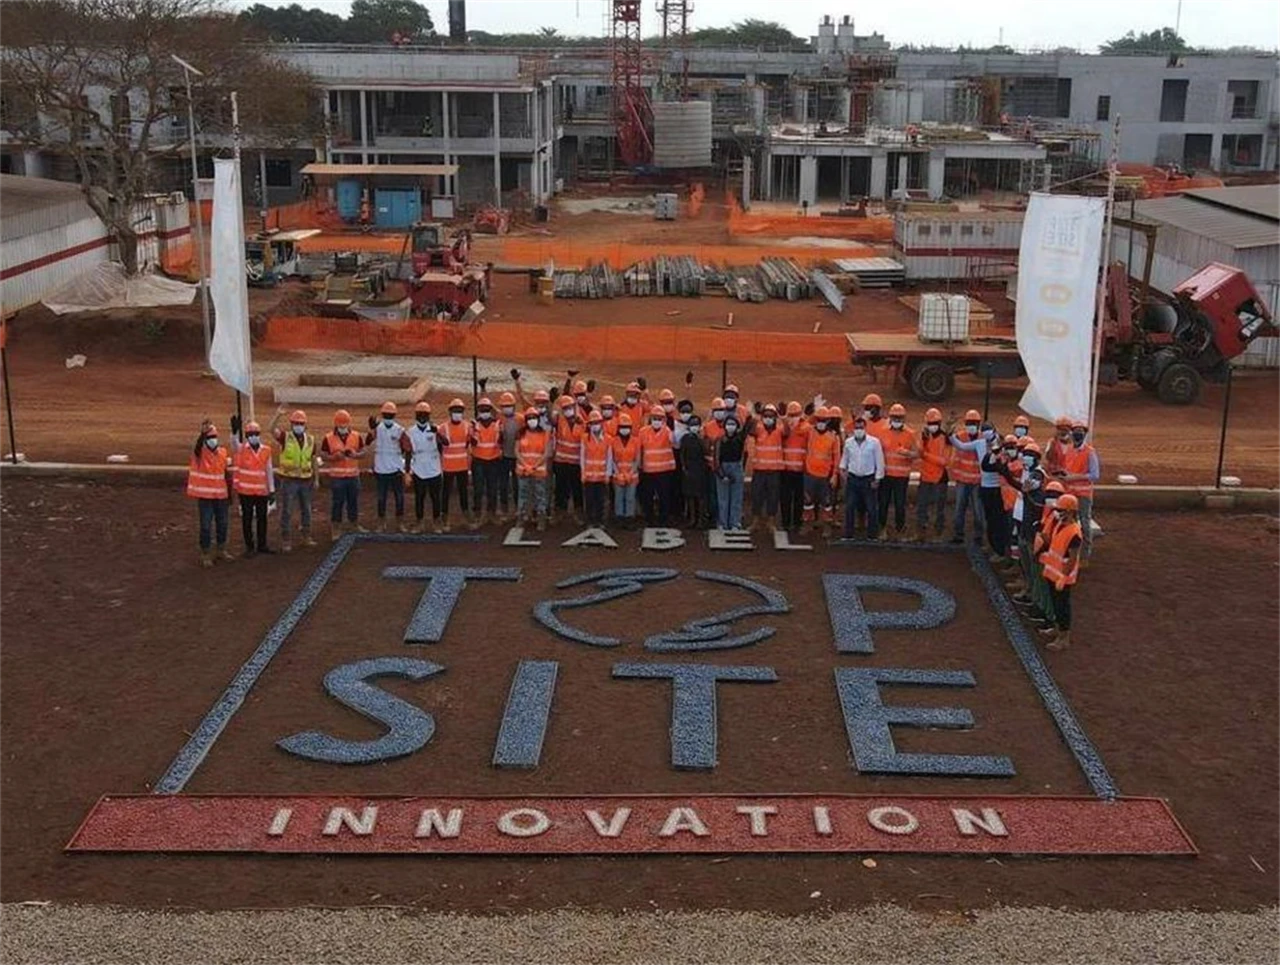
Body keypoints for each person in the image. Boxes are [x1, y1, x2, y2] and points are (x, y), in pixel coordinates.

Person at [1038, 493, 1083, 651]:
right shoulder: (1060, 524)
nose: (1058, 512)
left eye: (1061, 509)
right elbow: (1054, 544)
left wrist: (1064, 577)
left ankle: (1064, 637)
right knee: (1056, 603)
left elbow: (1072, 558)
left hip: (1062, 575)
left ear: (1071, 511)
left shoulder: (1074, 533)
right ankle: (1058, 629)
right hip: (1053, 572)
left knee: (1062, 605)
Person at [272, 408, 319, 553]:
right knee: (287, 510)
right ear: (291, 424)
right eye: (295, 423)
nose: (298, 425)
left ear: (305, 425)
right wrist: (278, 415)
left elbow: (313, 460)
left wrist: (316, 478)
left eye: (301, 423)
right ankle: (286, 540)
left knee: (307, 509)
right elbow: (271, 429)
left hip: (305, 480)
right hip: (289, 480)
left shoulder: (310, 440)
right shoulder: (285, 437)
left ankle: (306, 536)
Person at [188, 421, 234, 566]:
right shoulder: (200, 454)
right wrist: (202, 434)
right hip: (205, 498)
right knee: (206, 526)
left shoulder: (222, 453)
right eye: (210, 437)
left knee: (223, 524)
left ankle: (221, 549)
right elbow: (197, 447)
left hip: (221, 496)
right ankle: (206, 553)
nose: (213, 440)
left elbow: (226, 475)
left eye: (214, 437)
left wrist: (229, 495)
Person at [1057, 417, 1100, 559]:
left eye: (1081, 431)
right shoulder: (1069, 450)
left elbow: (1094, 475)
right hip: (1069, 493)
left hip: (1083, 494)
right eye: (1076, 431)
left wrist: (1073, 477)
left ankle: (1084, 556)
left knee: (1085, 523)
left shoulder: (1090, 452)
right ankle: (1070, 552)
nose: (1078, 433)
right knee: (1069, 523)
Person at [366, 401, 412, 533]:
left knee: (399, 497)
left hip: (396, 470)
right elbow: (367, 442)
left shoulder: (399, 430)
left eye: (390, 415)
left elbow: (408, 450)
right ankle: (381, 523)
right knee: (381, 498)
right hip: (381, 469)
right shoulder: (378, 429)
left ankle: (400, 523)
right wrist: (371, 429)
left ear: (394, 416)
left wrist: (406, 471)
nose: (388, 418)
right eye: (386, 415)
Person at [231, 418, 275, 556]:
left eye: (255, 433)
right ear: (246, 436)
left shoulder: (266, 450)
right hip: (245, 492)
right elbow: (233, 443)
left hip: (261, 491)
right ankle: (249, 546)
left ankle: (262, 545)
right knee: (247, 519)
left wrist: (271, 490)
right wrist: (234, 431)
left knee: (262, 519)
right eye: (250, 434)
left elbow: (269, 470)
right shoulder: (242, 449)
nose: (253, 436)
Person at [321, 409, 364, 539]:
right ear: (336, 424)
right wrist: (334, 457)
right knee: (337, 503)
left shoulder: (356, 436)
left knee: (353, 502)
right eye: (341, 425)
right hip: (337, 478)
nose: (343, 427)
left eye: (345, 424)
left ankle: (354, 525)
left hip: (353, 476)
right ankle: (336, 528)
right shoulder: (328, 438)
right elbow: (323, 455)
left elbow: (363, 452)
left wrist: (355, 455)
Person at [840, 415, 884, 540]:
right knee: (849, 507)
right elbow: (845, 459)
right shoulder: (849, 443)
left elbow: (879, 461)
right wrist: (843, 472)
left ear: (865, 428)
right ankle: (848, 534)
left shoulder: (874, 442)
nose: (859, 429)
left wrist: (877, 478)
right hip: (853, 479)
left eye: (861, 427)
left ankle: (872, 535)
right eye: (857, 427)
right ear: (854, 428)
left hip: (868, 479)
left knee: (871, 508)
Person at [878, 402, 917, 540]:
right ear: (890, 418)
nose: (897, 421)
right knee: (883, 503)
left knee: (900, 504)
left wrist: (908, 453)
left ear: (904, 419)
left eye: (899, 418)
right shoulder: (883, 432)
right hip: (886, 475)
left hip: (902, 476)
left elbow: (917, 453)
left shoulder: (910, 434)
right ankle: (882, 528)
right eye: (894, 418)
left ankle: (900, 528)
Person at [948, 409, 986, 545]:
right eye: (969, 423)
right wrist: (949, 428)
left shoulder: (983, 439)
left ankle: (979, 535)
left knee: (978, 510)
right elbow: (951, 441)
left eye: (974, 423)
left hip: (977, 481)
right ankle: (958, 534)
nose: (971, 426)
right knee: (959, 508)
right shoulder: (961, 436)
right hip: (963, 480)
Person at [803, 406, 841, 537]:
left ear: (828, 421)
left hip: (825, 475)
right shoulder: (810, 431)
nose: (820, 422)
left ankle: (827, 526)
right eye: (818, 419)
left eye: (823, 420)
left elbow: (837, 457)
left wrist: (835, 474)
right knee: (808, 502)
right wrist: (812, 413)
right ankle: (808, 525)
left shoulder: (833, 437)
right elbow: (802, 425)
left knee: (827, 503)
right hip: (810, 473)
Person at [407, 401, 445, 533]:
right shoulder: (411, 431)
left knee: (436, 497)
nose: (422, 417)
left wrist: (438, 434)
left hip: (434, 468)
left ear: (429, 416)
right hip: (419, 468)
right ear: (416, 415)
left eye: (425, 414)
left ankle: (437, 522)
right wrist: (407, 471)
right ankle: (419, 522)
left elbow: (445, 443)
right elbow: (408, 451)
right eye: (420, 414)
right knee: (419, 497)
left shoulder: (436, 429)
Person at [637, 404, 677, 526]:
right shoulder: (643, 432)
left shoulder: (668, 432)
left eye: (659, 419)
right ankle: (649, 519)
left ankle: (663, 519)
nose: (657, 421)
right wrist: (639, 466)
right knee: (647, 497)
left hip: (665, 470)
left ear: (664, 420)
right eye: (655, 418)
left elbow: (674, 443)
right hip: (648, 471)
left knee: (664, 497)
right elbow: (640, 450)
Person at [915, 407, 950, 542]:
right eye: (929, 424)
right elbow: (920, 452)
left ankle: (938, 534)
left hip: (939, 478)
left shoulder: (945, 439)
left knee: (939, 509)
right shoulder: (924, 436)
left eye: (934, 423)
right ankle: (921, 533)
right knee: (921, 507)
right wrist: (924, 443)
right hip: (925, 477)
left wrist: (926, 455)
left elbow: (944, 461)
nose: (932, 426)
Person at [750, 403, 786, 532]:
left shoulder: (779, 429)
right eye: (765, 416)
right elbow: (751, 430)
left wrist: (782, 416)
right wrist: (756, 415)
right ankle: (756, 521)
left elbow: (787, 431)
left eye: (771, 416)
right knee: (756, 496)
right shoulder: (759, 428)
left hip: (774, 471)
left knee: (773, 497)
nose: (768, 418)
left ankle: (771, 522)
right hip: (759, 470)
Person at [977, 425, 1010, 563]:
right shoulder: (992, 456)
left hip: (999, 493)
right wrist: (993, 455)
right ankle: (994, 546)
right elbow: (985, 465)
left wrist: (996, 457)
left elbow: (994, 468)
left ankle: (1000, 550)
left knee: (998, 522)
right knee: (990, 519)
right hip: (989, 490)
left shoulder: (1006, 459)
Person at [439, 398, 473, 531]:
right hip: (448, 466)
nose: (457, 413)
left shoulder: (467, 426)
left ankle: (466, 514)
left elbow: (470, 443)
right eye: (455, 411)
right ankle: (444, 516)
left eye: (459, 411)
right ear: (450, 412)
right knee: (446, 492)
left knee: (463, 492)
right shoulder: (443, 428)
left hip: (462, 466)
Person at [515, 406, 551, 531]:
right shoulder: (521, 433)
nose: (532, 420)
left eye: (534, 418)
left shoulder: (544, 434)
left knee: (540, 495)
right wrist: (525, 465)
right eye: (529, 418)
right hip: (523, 470)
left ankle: (541, 518)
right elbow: (517, 451)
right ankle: (521, 517)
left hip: (538, 470)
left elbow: (546, 453)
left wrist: (534, 466)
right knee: (523, 495)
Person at [552, 394, 585, 524]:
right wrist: (552, 401)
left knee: (577, 489)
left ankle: (579, 513)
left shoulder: (581, 422)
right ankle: (560, 512)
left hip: (576, 463)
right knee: (560, 488)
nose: (568, 410)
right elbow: (550, 417)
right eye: (565, 408)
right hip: (561, 461)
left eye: (570, 407)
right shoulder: (559, 420)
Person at [471, 397, 503, 527]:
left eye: (487, 409)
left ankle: (492, 514)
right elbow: (473, 441)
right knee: (478, 489)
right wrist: (473, 430)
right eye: (482, 409)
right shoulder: (474, 425)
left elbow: (501, 440)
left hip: (493, 461)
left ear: (491, 410)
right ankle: (478, 515)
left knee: (493, 489)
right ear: (478, 411)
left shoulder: (497, 424)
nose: (484, 412)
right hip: (478, 461)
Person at [780, 401, 809, 534]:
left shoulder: (805, 428)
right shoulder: (784, 428)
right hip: (785, 470)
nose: (793, 418)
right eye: (791, 415)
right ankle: (785, 523)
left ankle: (797, 523)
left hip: (800, 470)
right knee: (785, 498)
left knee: (799, 499)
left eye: (795, 415)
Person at [714, 413, 747, 530]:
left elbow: (747, 428)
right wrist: (721, 474)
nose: (730, 426)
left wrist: (749, 414)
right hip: (723, 467)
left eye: (733, 424)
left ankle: (735, 523)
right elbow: (716, 458)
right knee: (723, 498)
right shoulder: (719, 440)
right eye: (728, 424)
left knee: (736, 497)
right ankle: (722, 523)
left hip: (737, 467)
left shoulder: (740, 439)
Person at [580, 410, 613, 526]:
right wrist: (583, 473)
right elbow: (582, 456)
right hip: (589, 476)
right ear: (589, 425)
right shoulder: (585, 438)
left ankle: (600, 520)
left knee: (600, 500)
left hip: (601, 476)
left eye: (597, 423)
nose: (595, 426)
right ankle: (589, 519)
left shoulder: (608, 439)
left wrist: (608, 474)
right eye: (593, 423)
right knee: (589, 500)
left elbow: (609, 457)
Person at [679, 414, 710, 528]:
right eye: (692, 424)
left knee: (700, 496)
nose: (694, 427)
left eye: (696, 424)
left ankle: (701, 520)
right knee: (690, 496)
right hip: (689, 469)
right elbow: (682, 454)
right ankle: (692, 519)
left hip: (700, 469)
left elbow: (706, 452)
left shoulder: (702, 439)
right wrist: (684, 468)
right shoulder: (685, 439)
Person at [611, 413, 641, 526]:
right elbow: (612, 458)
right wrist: (617, 473)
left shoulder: (636, 441)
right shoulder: (614, 441)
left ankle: (629, 518)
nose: (625, 429)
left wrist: (631, 472)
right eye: (623, 427)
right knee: (618, 498)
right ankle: (619, 518)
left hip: (632, 476)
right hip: (618, 475)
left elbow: (637, 458)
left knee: (630, 498)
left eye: (627, 427)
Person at [496, 391, 521, 522]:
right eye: (504, 406)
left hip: (517, 457)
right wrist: (482, 390)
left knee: (517, 485)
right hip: (504, 457)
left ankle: (518, 509)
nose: (507, 408)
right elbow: (488, 408)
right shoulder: (500, 418)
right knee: (503, 484)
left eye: (509, 405)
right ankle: (504, 508)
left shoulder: (520, 419)